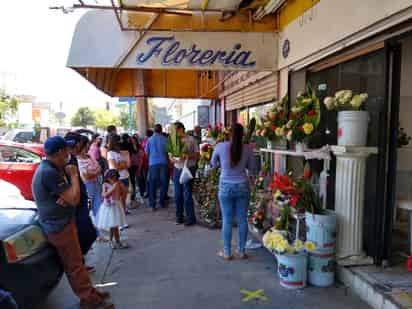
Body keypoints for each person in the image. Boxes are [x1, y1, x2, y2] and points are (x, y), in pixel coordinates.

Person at [32, 136, 113, 309]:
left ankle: (90, 293)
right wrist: (74, 176)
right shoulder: (49, 172)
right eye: (66, 151)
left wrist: (68, 194)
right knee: (74, 265)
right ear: (60, 152)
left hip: (63, 221)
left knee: (77, 262)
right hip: (58, 226)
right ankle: (89, 299)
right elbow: (74, 198)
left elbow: (68, 197)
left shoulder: (53, 168)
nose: (69, 155)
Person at [211, 123, 255, 260]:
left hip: (225, 186)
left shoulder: (220, 146)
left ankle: (227, 252)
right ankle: (241, 251)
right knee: (242, 220)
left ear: (229, 134)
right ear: (243, 135)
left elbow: (213, 165)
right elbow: (253, 169)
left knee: (227, 219)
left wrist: (221, 164)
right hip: (242, 185)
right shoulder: (248, 149)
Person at [65, 133, 98, 272]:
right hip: (75, 205)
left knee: (87, 233)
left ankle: (80, 262)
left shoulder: (72, 159)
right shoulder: (65, 162)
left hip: (81, 200)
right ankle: (77, 263)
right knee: (87, 233)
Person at [171, 122, 199, 226]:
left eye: (176, 130)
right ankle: (179, 216)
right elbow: (170, 156)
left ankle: (190, 218)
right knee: (177, 195)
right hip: (177, 169)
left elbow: (197, 155)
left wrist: (187, 156)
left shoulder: (191, 140)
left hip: (189, 168)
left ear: (182, 129)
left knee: (187, 194)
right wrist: (174, 159)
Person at [97, 169, 129, 249]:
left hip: (116, 206)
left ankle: (113, 241)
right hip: (109, 208)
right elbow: (104, 195)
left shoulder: (118, 183)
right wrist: (113, 188)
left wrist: (122, 188)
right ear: (108, 178)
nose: (114, 180)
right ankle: (117, 242)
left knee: (114, 225)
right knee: (113, 226)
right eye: (112, 178)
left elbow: (124, 192)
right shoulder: (105, 185)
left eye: (115, 178)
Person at [77, 136, 102, 222]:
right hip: (87, 186)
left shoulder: (89, 156)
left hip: (96, 184)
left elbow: (99, 168)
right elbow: (85, 176)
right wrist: (96, 172)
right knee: (89, 209)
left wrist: (93, 172)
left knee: (98, 208)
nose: (89, 145)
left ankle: (98, 231)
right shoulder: (77, 160)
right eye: (87, 144)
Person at [145, 124, 169, 211]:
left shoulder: (149, 140)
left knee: (153, 184)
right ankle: (162, 202)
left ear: (154, 131)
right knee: (163, 183)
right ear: (161, 130)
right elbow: (168, 153)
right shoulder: (165, 139)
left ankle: (152, 204)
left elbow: (146, 153)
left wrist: (150, 161)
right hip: (164, 163)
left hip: (153, 164)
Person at [107, 135, 130, 216]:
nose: (121, 142)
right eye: (119, 141)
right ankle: (121, 216)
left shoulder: (120, 152)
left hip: (125, 176)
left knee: (124, 197)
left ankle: (123, 212)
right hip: (118, 178)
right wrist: (123, 165)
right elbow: (115, 167)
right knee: (119, 199)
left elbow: (128, 165)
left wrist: (122, 165)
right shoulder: (110, 153)